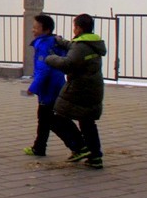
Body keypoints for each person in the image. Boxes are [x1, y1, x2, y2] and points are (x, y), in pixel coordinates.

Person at [44, 13, 107, 169]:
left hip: (79, 89)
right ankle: (95, 157)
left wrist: (50, 58)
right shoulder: (93, 43)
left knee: (56, 118)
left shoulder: (81, 46)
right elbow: (74, 48)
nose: (74, 30)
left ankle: (79, 147)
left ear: (78, 28)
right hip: (94, 88)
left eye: (74, 27)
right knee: (87, 122)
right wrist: (61, 41)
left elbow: (68, 64)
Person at [23, 14, 84, 157]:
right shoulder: (54, 42)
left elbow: (43, 70)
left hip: (49, 89)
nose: (33, 30)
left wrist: (33, 87)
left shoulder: (44, 45)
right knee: (45, 120)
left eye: (36, 27)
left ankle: (79, 146)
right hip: (56, 85)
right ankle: (39, 148)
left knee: (52, 120)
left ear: (46, 29)